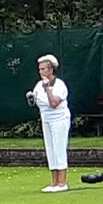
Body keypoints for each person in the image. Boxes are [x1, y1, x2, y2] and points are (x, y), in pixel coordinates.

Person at [28, 53, 71, 192]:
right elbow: (36, 102)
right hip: (46, 119)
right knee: (50, 149)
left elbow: (53, 103)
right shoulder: (38, 85)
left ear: (51, 69)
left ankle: (62, 182)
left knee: (59, 148)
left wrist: (47, 88)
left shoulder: (60, 85)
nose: (41, 72)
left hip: (60, 119)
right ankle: (54, 182)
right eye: (39, 69)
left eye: (44, 69)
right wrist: (31, 98)